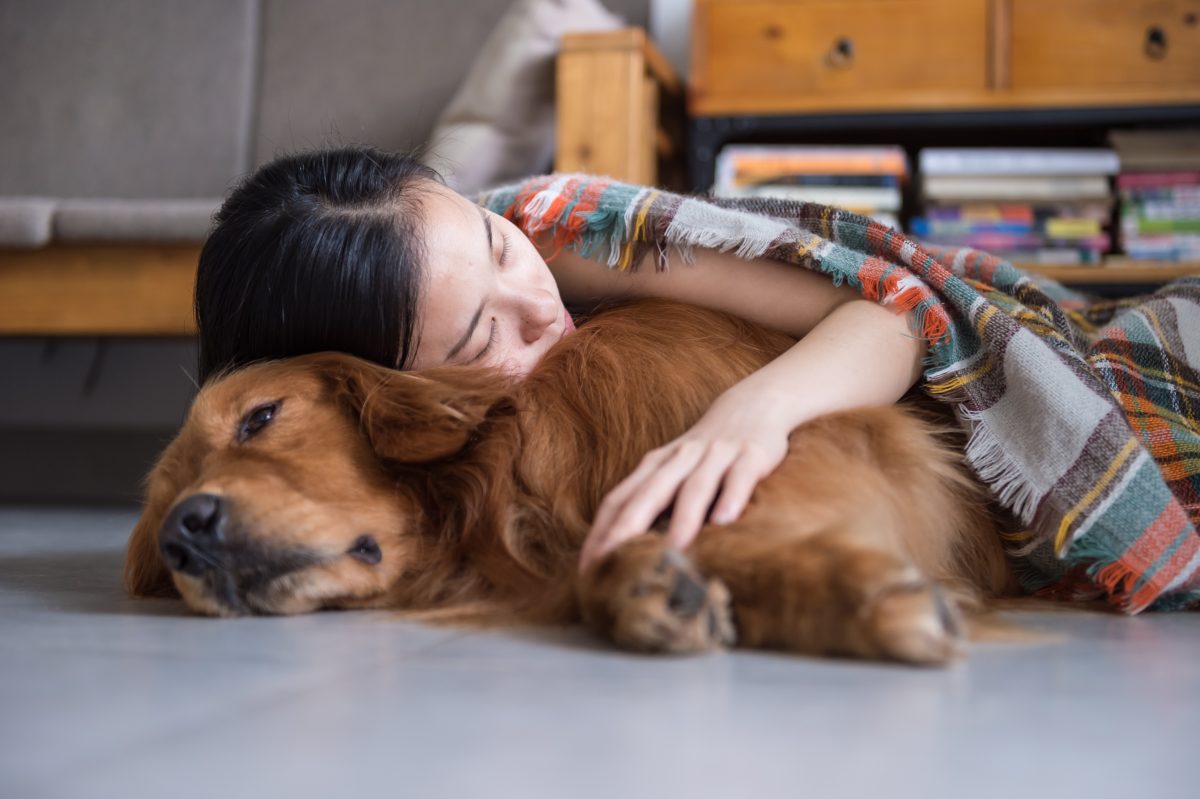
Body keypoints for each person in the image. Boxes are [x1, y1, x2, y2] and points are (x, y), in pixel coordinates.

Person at [195, 146, 927, 573]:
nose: (540, 309)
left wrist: (754, 414)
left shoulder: (569, 235)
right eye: (482, 340)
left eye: (499, 249)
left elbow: (902, 309)